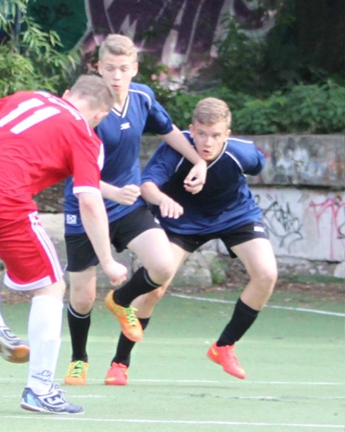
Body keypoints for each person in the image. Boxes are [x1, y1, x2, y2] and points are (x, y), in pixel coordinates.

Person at [0, 74, 128, 415]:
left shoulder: (28, 97)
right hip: (4, 201)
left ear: (68, 93)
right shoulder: (85, 135)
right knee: (52, 287)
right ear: (101, 115)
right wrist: (108, 260)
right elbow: (89, 200)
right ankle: (40, 389)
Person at [62, 34, 207, 386]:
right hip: (85, 204)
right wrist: (112, 191)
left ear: (135, 69)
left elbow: (170, 131)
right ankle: (79, 360)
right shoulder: (87, 108)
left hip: (127, 206)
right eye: (110, 68)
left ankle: (121, 300)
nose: (116, 76)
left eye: (123, 69)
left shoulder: (142, 97)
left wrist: (199, 161)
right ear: (98, 67)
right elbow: (71, 168)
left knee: (163, 265)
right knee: (82, 296)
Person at [106, 97, 278, 384]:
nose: (207, 142)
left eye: (216, 135)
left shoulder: (243, 153)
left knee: (266, 274)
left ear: (227, 135)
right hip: (181, 223)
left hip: (235, 216)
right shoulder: (176, 150)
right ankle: (120, 363)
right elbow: (147, 186)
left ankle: (224, 346)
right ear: (191, 129)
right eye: (201, 134)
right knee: (155, 289)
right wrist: (162, 200)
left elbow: (257, 165)